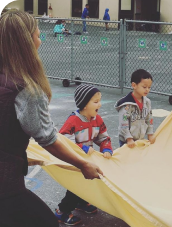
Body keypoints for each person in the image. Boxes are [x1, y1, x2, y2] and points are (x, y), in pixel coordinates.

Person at [0, 10, 102, 227]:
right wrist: (82, 164)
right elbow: (48, 139)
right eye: (38, 36)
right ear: (27, 44)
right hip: (6, 185)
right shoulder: (26, 89)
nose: (40, 41)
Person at [54, 84, 114, 225]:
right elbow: (63, 139)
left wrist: (106, 148)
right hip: (74, 159)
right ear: (84, 105)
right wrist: (82, 148)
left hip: (87, 159)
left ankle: (80, 202)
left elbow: (103, 136)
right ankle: (62, 210)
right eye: (95, 101)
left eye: (100, 100)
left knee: (87, 182)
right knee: (76, 185)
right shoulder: (73, 120)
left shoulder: (97, 119)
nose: (99, 104)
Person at [115, 69, 155, 148]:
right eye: (144, 87)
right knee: (126, 159)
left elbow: (149, 119)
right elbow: (123, 123)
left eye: (149, 87)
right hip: (127, 141)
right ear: (134, 85)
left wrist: (150, 134)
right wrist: (128, 138)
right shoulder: (127, 105)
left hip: (140, 139)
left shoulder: (147, 102)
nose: (147, 89)